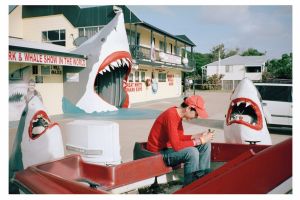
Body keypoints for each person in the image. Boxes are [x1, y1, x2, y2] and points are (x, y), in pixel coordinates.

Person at [146, 95, 214, 186]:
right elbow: (177, 145)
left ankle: (201, 179)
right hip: (158, 153)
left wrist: (197, 136)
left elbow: (179, 137)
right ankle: (189, 187)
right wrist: (200, 140)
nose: (197, 117)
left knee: (206, 144)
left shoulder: (178, 115)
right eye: (197, 114)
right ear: (189, 108)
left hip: (168, 149)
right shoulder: (171, 115)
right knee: (192, 152)